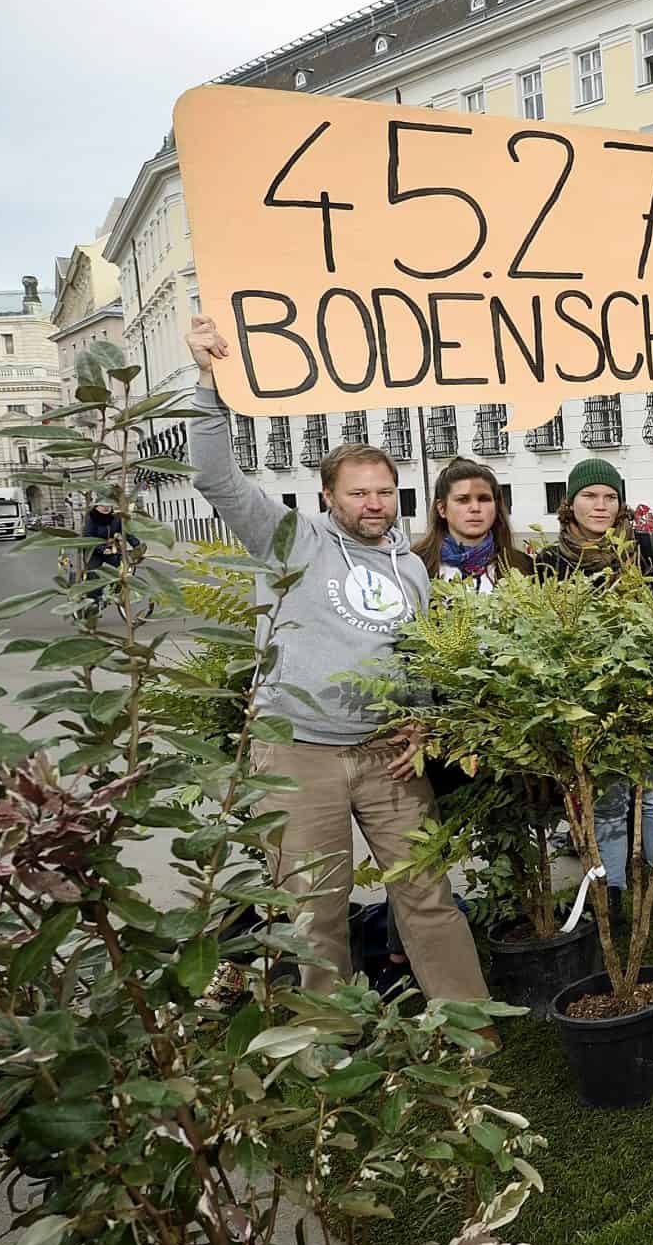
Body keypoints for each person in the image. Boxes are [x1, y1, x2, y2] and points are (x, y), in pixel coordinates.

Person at [181, 316, 489, 1006]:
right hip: (299, 754)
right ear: (329, 496)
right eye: (358, 491)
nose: (374, 502)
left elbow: (419, 657)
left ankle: (471, 1025)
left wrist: (425, 719)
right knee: (314, 909)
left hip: (387, 755)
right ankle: (325, 1046)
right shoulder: (291, 537)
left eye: (384, 490)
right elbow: (215, 477)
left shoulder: (410, 567)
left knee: (428, 891)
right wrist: (207, 380)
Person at [534, 458, 653, 931]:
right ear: (571, 502)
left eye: (609, 497)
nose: (600, 506)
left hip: (650, 695)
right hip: (590, 704)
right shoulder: (551, 562)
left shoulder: (649, 549)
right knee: (606, 801)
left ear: (621, 503)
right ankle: (613, 893)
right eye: (590, 496)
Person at [412, 459, 528, 591]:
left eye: (484, 499)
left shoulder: (523, 566)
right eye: (463, 500)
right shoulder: (415, 564)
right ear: (442, 509)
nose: (475, 508)